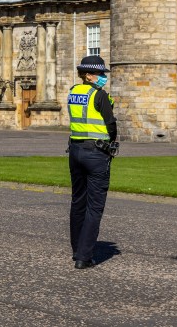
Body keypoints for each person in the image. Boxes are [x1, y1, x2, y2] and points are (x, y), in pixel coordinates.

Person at [67, 54, 118, 269]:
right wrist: (112, 142)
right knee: (94, 207)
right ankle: (84, 257)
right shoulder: (100, 95)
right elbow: (111, 124)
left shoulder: (73, 91)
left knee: (78, 202)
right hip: (96, 153)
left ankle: (77, 249)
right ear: (87, 75)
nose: (102, 77)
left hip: (75, 150)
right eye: (98, 74)